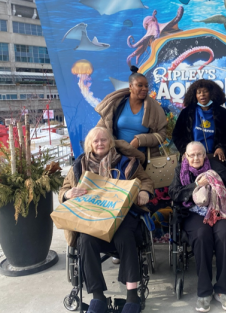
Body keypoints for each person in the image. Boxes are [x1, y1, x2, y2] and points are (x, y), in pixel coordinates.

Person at [59, 127, 154, 313]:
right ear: (90, 145)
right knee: (85, 240)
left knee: (125, 237)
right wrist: (68, 194)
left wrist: (143, 191)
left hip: (121, 215)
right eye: (96, 141)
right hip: (92, 217)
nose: (100, 143)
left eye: (103, 140)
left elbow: (146, 180)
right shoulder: (79, 166)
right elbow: (63, 190)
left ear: (110, 142)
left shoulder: (126, 162)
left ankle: (132, 297)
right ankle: (98, 297)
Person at [169, 142, 226, 312]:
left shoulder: (217, 167)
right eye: (192, 155)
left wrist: (218, 195)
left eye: (199, 154)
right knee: (202, 235)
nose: (195, 158)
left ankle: (223, 290)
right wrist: (197, 185)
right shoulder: (180, 170)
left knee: (225, 233)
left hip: (219, 211)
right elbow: (174, 194)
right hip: (192, 214)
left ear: (205, 155)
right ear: (186, 157)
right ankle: (204, 291)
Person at [95, 65, 167, 164]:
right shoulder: (117, 104)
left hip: (142, 160)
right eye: (140, 85)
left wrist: (140, 140)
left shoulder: (154, 108)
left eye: (146, 86)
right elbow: (101, 129)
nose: (144, 89)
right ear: (130, 86)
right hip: (116, 157)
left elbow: (162, 135)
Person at [172, 79, 226, 162]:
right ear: (194, 95)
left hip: (214, 158)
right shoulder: (186, 113)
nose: (202, 95)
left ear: (212, 93)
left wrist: (221, 148)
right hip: (192, 159)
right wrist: (185, 150)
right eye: (199, 92)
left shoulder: (223, 113)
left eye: (205, 91)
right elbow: (177, 135)